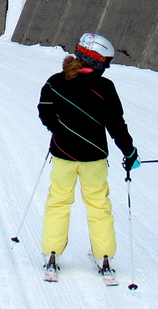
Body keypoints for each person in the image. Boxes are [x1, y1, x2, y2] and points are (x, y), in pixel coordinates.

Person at [37, 32, 138, 279]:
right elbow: (116, 125)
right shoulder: (105, 88)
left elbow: (45, 111)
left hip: (62, 155)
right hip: (95, 158)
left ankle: (52, 252)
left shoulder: (55, 82)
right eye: (106, 61)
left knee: (58, 201)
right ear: (95, 61)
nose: (108, 66)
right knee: (98, 204)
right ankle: (104, 256)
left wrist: (59, 131)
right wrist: (130, 152)